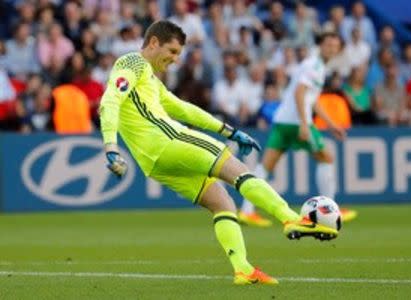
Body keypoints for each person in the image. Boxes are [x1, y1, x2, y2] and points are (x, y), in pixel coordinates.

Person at [99, 20, 338, 286]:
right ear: (153, 43)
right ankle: (292, 218)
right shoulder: (133, 63)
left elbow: (183, 109)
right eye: (172, 51)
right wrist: (110, 145)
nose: (175, 60)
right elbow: (110, 100)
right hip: (170, 140)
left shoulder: (150, 82)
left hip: (153, 162)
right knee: (239, 172)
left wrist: (229, 131)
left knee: (221, 202)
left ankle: (242, 269)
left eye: (178, 54)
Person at [239, 32, 358, 227]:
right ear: (321, 45)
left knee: (265, 166)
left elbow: (312, 100)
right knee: (326, 157)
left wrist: (331, 124)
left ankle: (246, 211)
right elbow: (300, 92)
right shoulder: (314, 65)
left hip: (282, 121)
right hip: (296, 123)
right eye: (328, 45)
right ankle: (331, 208)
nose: (332, 49)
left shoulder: (315, 66)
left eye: (335, 46)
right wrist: (304, 123)